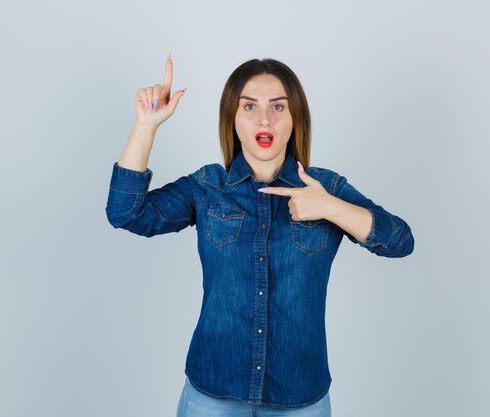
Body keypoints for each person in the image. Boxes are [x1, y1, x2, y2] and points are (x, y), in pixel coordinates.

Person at [105, 54, 415, 417]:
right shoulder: (207, 187)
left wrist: (330, 207)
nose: (264, 118)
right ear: (232, 118)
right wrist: (146, 126)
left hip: (300, 396)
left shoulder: (326, 188)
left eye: (278, 106)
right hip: (213, 392)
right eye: (249, 106)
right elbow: (125, 213)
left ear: (295, 116)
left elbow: (400, 242)